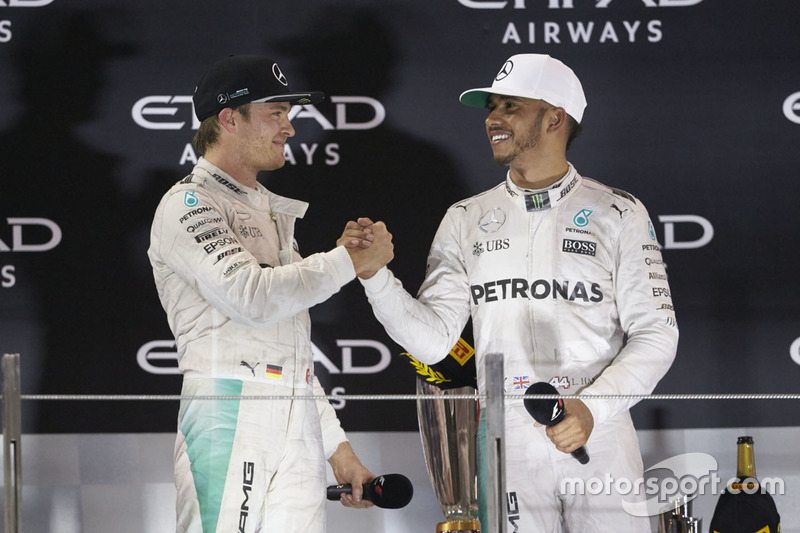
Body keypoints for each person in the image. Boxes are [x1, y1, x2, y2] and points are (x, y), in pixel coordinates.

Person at [350, 53, 678, 531]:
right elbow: (434, 342)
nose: (492, 119)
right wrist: (376, 278)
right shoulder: (465, 218)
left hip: (599, 427)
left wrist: (591, 407)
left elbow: (657, 333)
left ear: (555, 117)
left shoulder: (618, 212)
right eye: (491, 108)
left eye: (510, 106)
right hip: (505, 431)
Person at [147, 54, 393, 533]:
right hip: (227, 407)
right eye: (275, 113)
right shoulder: (187, 203)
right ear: (229, 118)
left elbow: (291, 355)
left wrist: (337, 449)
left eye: (289, 114)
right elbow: (251, 298)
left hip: (295, 419)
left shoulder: (270, 214)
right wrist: (347, 261)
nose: (290, 128)